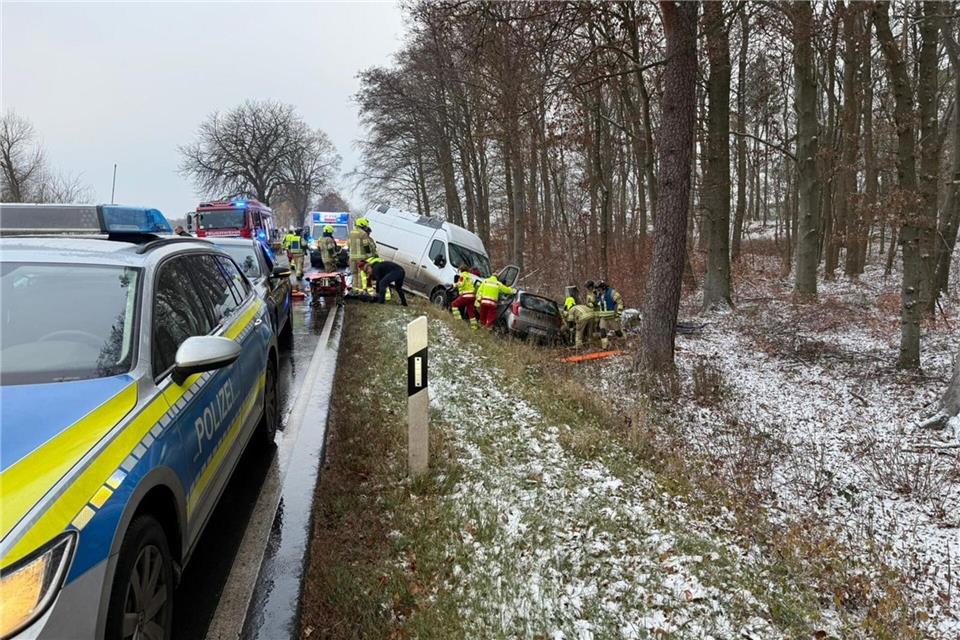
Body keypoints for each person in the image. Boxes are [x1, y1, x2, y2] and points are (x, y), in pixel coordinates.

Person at [348, 217, 377, 291]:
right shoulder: (363, 233)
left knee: (354, 274)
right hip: (361, 258)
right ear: (362, 224)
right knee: (360, 275)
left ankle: (355, 290)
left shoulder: (351, 232)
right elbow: (366, 246)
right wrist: (370, 256)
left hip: (352, 258)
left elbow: (348, 245)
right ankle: (360, 291)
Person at [593, 280, 624, 349]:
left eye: (599, 289)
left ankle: (622, 343)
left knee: (618, 331)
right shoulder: (598, 295)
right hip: (603, 317)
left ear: (603, 287)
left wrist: (619, 313)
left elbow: (620, 302)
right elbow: (597, 305)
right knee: (602, 331)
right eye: (597, 289)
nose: (598, 290)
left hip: (612, 316)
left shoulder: (612, 293)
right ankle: (605, 347)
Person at [450, 264, 479, 329]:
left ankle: (458, 321)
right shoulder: (469, 277)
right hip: (472, 296)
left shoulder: (462, 275)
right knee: (470, 312)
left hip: (466, 295)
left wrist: (454, 285)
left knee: (454, 305)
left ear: (461, 270)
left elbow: (460, 283)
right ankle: (474, 327)